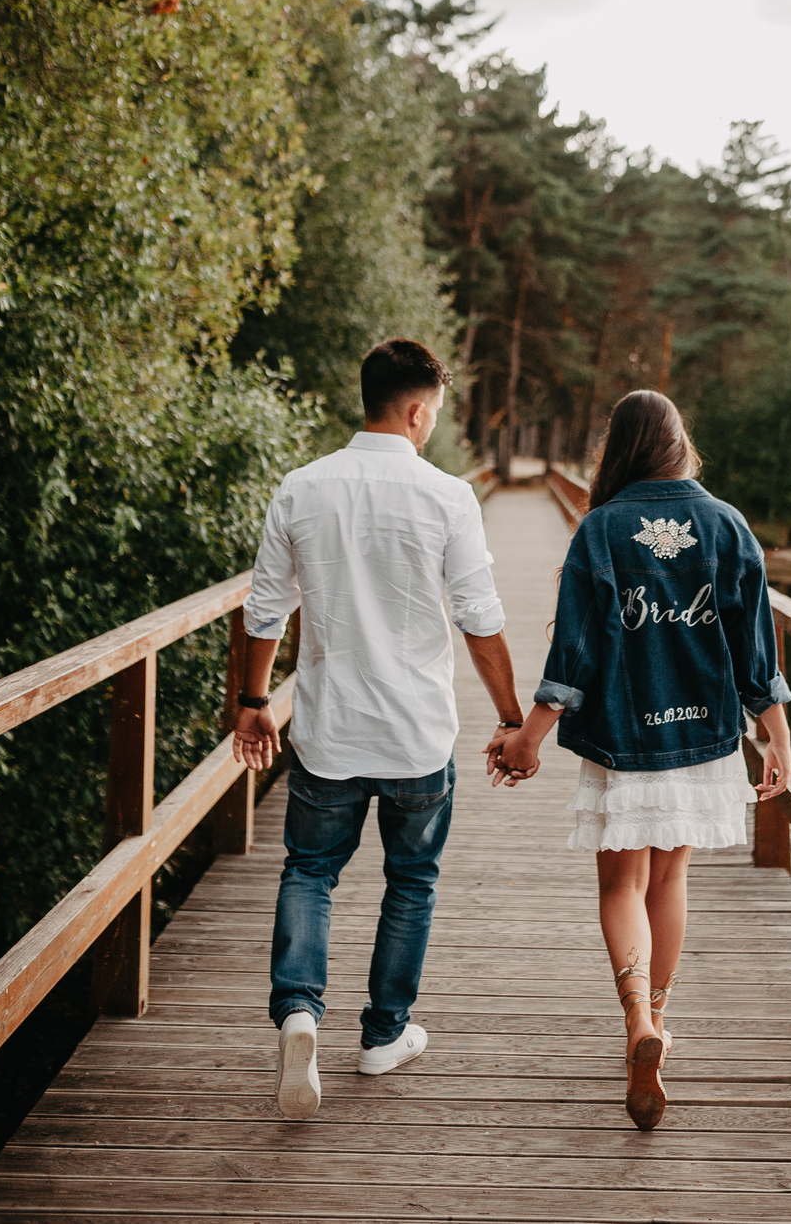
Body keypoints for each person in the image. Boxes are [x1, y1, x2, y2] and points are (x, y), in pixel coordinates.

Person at [232, 338, 524, 1120]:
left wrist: (253, 700)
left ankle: (299, 1012)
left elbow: (264, 608)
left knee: (310, 871)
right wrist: (510, 717)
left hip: (328, 731)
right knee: (412, 880)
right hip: (417, 738)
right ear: (418, 408)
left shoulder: (301, 487)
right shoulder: (448, 497)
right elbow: (481, 621)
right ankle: (382, 1035)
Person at [490, 390, 791, 1131]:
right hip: (701, 735)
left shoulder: (601, 529)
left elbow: (577, 649)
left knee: (621, 881)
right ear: (679, 443)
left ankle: (634, 1022)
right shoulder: (727, 525)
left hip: (624, 735)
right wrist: (777, 734)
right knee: (671, 874)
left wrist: (530, 733)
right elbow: (756, 647)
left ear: (617, 451)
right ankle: (658, 1014)